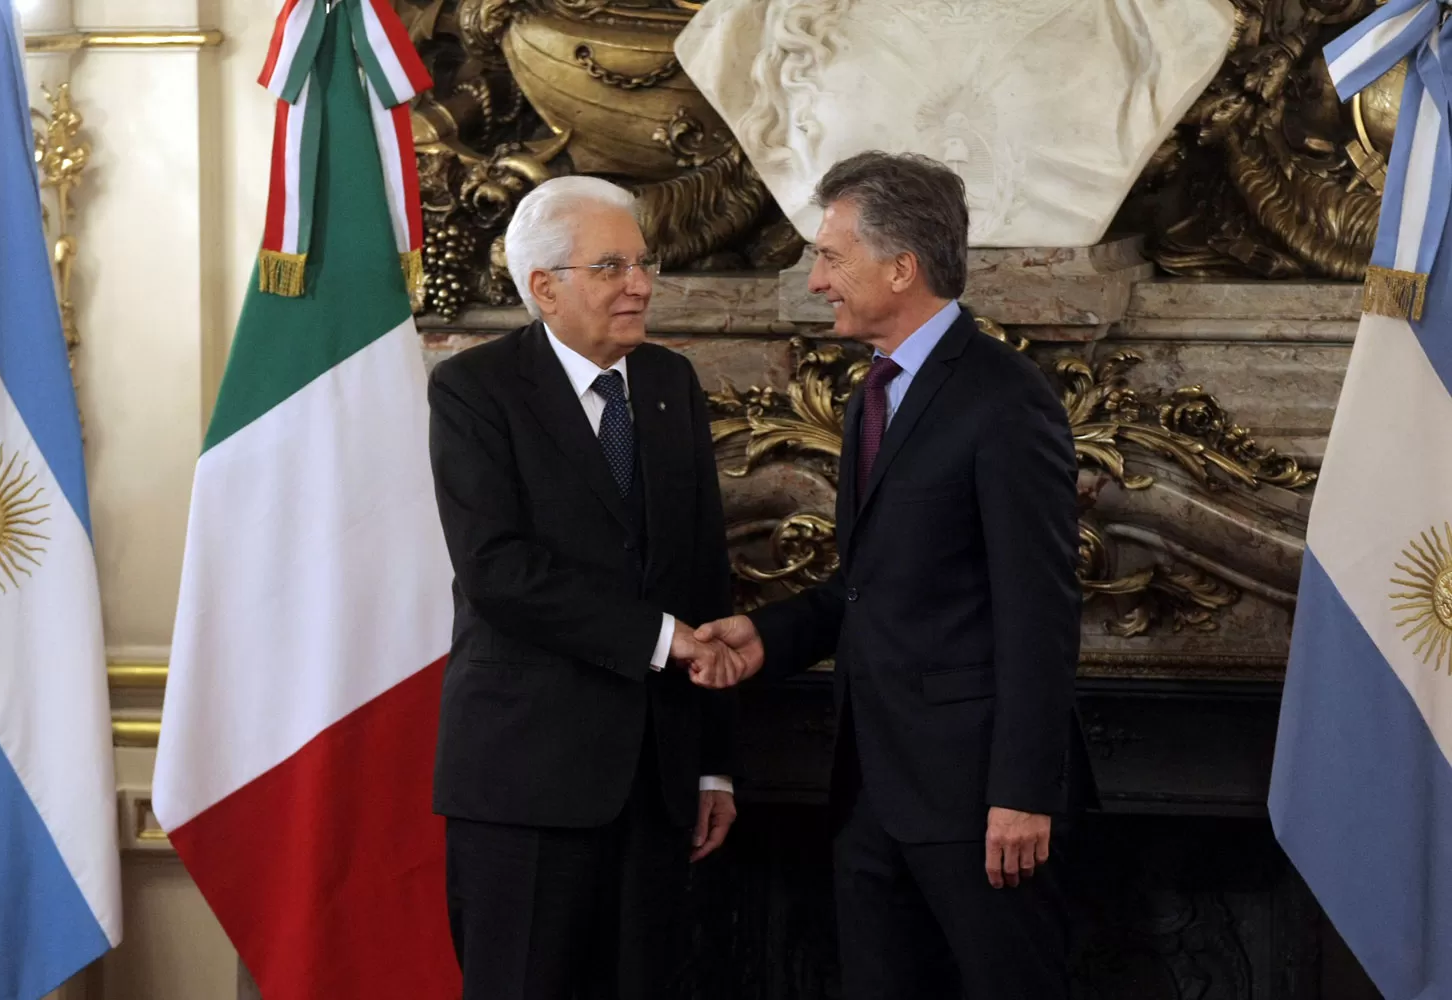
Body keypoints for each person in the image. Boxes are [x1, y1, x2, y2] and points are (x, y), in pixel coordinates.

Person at [689, 151, 1094, 999]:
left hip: (981, 805)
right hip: (872, 793)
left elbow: (1040, 613)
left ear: (901, 267)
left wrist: (1023, 794)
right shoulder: (873, 394)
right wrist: (767, 635)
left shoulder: (1003, 399)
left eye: (831, 257)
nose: (815, 282)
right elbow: (871, 587)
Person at [427, 175, 739, 1000]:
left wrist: (713, 766)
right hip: (527, 781)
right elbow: (498, 571)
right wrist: (665, 641)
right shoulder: (475, 391)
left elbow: (707, 570)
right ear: (545, 287)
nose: (639, 284)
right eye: (611, 267)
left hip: (660, 784)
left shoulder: (672, 383)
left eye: (642, 263)